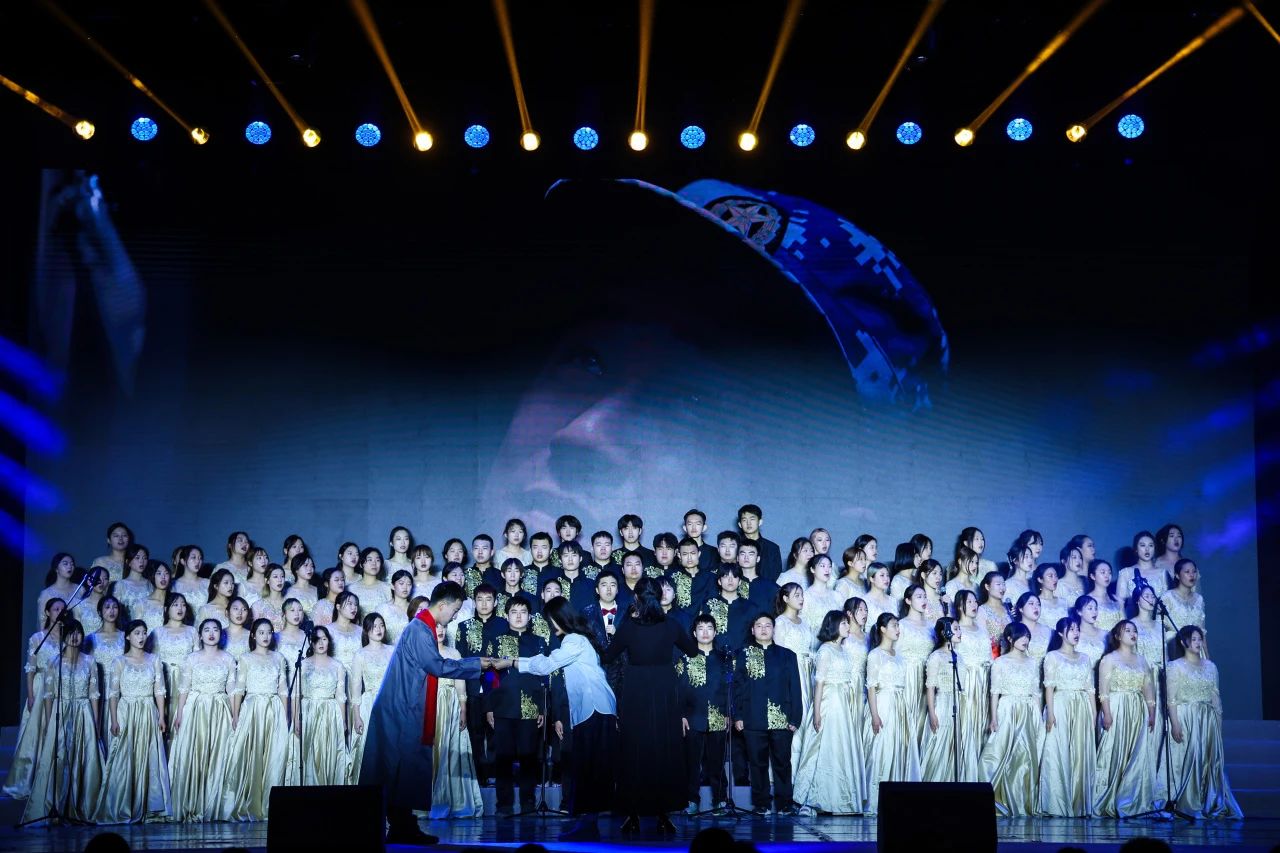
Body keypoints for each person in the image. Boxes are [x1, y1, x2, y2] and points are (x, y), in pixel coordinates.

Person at [359, 581, 504, 846]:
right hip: (401, 708)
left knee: (405, 768)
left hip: (407, 705)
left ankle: (403, 825)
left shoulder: (422, 627)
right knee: (400, 767)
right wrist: (475, 665)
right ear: (444, 605)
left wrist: (474, 664)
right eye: (455, 610)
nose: (455, 616)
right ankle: (399, 825)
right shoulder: (419, 629)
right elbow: (435, 666)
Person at [510, 596, 618, 840]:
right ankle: (588, 823)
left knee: (588, 767)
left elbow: (547, 665)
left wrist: (513, 662)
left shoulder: (573, 639)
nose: (551, 625)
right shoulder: (579, 639)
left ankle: (587, 824)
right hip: (594, 709)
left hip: (594, 708)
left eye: (551, 620)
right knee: (589, 766)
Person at [601, 576, 699, 833]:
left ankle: (632, 813)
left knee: (634, 748)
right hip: (664, 687)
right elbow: (692, 651)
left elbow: (608, 657)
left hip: (636, 689)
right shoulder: (672, 625)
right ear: (661, 597)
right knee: (665, 748)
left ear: (636, 598)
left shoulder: (628, 627)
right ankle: (663, 813)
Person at [23, 619, 103, 823]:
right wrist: (51, 723)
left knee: (83, 758)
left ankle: (82, 806)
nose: (74, 637)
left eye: (78, 633)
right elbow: (49, 695)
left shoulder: (90, 661)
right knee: (60, 758)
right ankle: (57, 805)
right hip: (62, 711)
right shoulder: (54, 661)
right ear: (64, 637)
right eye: (70, 633)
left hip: (83, 712)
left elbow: (94, 694)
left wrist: (95, 721)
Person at [792, 610, 867, 814]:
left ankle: (839, 798)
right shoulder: (825, 650)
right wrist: (817, 712)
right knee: (824, 748)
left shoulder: (843, 649)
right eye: (843, 623)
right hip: (829, 702)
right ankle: (813, 799)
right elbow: (819, 684)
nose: (848, 626)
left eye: (847, 623)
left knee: (840, 749)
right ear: (834, 626)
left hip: (843, 702)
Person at [96, 619, 170, 823]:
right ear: (128, 636)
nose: (141, 637)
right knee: (124, 757)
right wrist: (113, 720)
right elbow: (113, 693)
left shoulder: (154, 660)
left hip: (147, 710)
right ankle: (122, 805)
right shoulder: (119, 661)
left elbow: (159, 690)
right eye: (137, 633)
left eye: (144, 633)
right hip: (126, 711)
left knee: (149, 756)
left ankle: (149, 806)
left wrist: (161, 716)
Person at [1167, 625, 1242, 819]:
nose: (1198, 642)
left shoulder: (1210, 666)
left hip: (1207, 718)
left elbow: (1215, 695)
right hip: (1187, 717)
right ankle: (1187, 801)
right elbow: (1171, 700)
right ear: (1183, 642)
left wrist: (1218, 721)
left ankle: (1208, 800)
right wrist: (1175, 724)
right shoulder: (1175, 666)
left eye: (1199, 639)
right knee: (1189, 759)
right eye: (1193, 639)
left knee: (1209, 760)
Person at [483, 596, 548, 816]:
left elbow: (545, 676)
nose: (519, 617)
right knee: (503, 756)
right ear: (506, 615)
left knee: (529, 756)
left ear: (530, 616)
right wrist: (489, 706)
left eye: (523, 612)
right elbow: (489, 675)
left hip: (531, 706)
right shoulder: (496, 640)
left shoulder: (539, 642)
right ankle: (504, 804)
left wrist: (543, 707)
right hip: (502, 705)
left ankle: (528, 802)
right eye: (514, 612)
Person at [169, 618, 236, 822]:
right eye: (207, 630)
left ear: (220, 634)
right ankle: (192, 802)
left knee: (218, 754)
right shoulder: (191, 658)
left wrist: (235, 714)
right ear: (200, 635)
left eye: (215, 629)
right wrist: (180, 714)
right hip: (196, 708)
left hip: (220, 709)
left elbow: (232, 689)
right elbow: (184, 688)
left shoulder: (228, 658)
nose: (211, 633)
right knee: (194, 754)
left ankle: (214, 804)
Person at [735, 612, 802, 817]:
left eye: (767, 625)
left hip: (781, 718)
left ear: (774, 629)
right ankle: (761, 803)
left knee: (782, 763)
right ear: (752, 630)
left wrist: (795, 718)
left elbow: (795, 688)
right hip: (753, 717)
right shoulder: (744, 654)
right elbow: (737, 687)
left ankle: (785, 803)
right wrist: (738, 716)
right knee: (757, 764)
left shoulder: (787, 655)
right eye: (759, 625)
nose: (763, 629)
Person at [224, 618, 290, 821]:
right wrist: (236, 714)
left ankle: (270, 805)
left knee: (274, 755)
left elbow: (283, 689)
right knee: (252, 755)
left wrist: (286, 714)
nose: (266, 636)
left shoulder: (279, 658)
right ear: (253, 635)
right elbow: (239, 689)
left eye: (269, 632)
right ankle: (250, 803)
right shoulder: (245, 658)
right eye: (261, 632)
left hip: (274, 708)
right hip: (252, 708)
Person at [3, 598, 66, 799]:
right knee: (36, 732)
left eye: (63, 609)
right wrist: (30, 695)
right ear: (47, 612)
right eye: (56, 609)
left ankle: (51, 783)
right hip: (40, 688)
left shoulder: (67, 638)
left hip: (60, 689)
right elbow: (30, 669)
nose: (60, 612)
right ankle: (27, 781)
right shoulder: (37, 638)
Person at [1094, 620, 1157, 817]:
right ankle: (1110, 797)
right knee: (1115, 750)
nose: (1132, 633)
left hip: (1137, 709)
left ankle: (1133, 798)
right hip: (1117, 707)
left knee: (1137, 753)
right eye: (1127, 630)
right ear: (1117, 636)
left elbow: (1148, 688)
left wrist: (1152, 712)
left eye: (1134, 630)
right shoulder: (1109, 659)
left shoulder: (1142, 660)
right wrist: (1107, 713)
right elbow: (1103, 691)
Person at [980, 622, 1044, 816]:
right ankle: (998, 798)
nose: (1025, 640)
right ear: (1010, 638)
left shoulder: (1033, 662)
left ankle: (1023, 802)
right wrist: (993, 718)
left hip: (1029, 710)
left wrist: (1038, 717)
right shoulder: (1000, 663)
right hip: (1007, 710)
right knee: (1002, 753)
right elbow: (994, 692)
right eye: (1021, 636)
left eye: (1027, 636)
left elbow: (1036, 692)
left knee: (1026, 756)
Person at [1039, 616, 1097, 817]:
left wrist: (1093, 714)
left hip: (1082, 706)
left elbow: (1090, 689)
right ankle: (1056, 803)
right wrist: (1050, 713)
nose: (1076, 633)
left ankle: (1079, 803)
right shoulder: (1052, 657)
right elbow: (1049, 687)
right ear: (1061, 633)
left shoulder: (1085, 658)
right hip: (1061, 705)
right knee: (1059, 750)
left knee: (1080, 752)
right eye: (1071, 629)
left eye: (1077, 629)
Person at [863, 613, 921, 815]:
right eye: (894, 625)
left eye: (898, 625)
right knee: (882, 750)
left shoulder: (899, 655)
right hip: (883, 703)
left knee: (899, 749)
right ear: (882, 629)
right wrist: (874, 715)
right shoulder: (875, 655)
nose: (898, 629)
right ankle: (876, 800)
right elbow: (871, 687)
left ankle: (899, 800)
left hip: (900, 705)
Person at [430, 620, 483, 819]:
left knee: (451, 747)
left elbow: (460, 682)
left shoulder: (454, 653)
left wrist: (463, 708)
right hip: (430, 702)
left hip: (451, 703)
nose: (440, 630)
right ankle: (429, 800)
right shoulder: (425, 652)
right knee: (432, 748)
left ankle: (454, 800)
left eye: (443, 627)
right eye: (436, 626)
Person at [679, 615, 730, 817]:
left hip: (718, 717)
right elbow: (678, 689)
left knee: (717, 763)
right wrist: (681, 714)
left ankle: (720, 800)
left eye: (709, 628)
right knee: (691, 763)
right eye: (701, 628)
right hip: (693, 717)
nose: (705, 632)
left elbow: (731, 689)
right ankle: (692, 801)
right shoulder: (685, 658)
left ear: (715, 632)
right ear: (694, 633)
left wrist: (729, 713)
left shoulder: (725, 659)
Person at [292, 625, 350, 786]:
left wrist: (343, 721)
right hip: (308, 712)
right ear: (311, 642)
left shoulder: (338, 666)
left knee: (328, 753)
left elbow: (340, 696)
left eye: (324, 639)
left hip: (330, 713)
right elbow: (297, 694)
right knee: (309, 754)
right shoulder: (303, 664)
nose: (321, 643)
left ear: (329, 641)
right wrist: (296, 719)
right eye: (317, 640)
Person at [348, 612, 395, 785]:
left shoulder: (392, 651)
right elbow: (355, 687)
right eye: (374, 626)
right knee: (370, 748)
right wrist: (356, 716)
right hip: (370, 705)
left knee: (390, 748)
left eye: (381, 625)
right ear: (367, 630)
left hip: (390, 704)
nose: (379, 629)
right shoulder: (360, 654)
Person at [951, 590, 993, 776]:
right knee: (967, 723)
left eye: (975, 601)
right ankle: (965, 771)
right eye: (969, 602)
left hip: (983, 681)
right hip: (966, 682)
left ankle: (979, 773)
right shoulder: (956, 629)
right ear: (960, 605)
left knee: (982, 722)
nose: (974, 605)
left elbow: (989, 657)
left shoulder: (982, 630)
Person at [150, 593, 197, 736]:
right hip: (164, 680)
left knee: (184, 720)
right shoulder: (157, 632)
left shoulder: (192, 631)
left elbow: (196, 658)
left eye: (183, 605)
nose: (180, 608)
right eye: (175, 605)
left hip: (186, 680)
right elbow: (151, 660)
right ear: (166, 609)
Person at [896, 585, 935, 748]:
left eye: (925, 596)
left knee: (924, 718)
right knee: (909, 717)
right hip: (909, 676)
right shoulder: (901, 625)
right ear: (908, 601)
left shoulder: (931, 626)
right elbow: (895, 653)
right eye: (919, 597)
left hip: (928, 677)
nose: (924, 600)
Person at [697, 564, 760, 652]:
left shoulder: (751, 607)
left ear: (740, 581)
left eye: (734, 576)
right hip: (715, 656)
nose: (730, 580)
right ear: (719, 581)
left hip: (742, 656)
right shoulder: (708, 605)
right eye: (726, 576)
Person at [1161, 559, 1208, 657]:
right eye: (1187, 572)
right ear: (1177, 575)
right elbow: (1159, 628)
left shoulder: (1199, 599)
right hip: (1174, 648)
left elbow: (1202, 631)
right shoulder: (1167, 597)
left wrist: (1207, 657)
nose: (1192, 575)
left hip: (1196, 650)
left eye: (1194, 572)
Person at [736, 504, 782, 581]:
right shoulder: (735, 547)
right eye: (744, 520)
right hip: (740, 587)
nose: (748, 523)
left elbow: (776, 576)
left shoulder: (772, 548)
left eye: (752, 519)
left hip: (766, 587)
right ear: (740, 524)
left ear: (760, 522)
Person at [1118, 530, 1165, 603]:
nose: (1147, 549)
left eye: (1151, 545)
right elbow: (1120, 603)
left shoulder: (1163, 573)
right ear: (1136, 549)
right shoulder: (1125, 573)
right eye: (1143, 545)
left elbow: (1168, 602)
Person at [35, 552, 79, 626]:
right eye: (65, 564)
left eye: (72, 564)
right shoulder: (46, 593)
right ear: (56, 569)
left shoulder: (80, 589)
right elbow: (42, 621)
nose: (70, 566)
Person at [112, 544, 153, 619]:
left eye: (145, 558)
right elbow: (115, 609)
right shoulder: (121, 585)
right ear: (128, 562)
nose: (141, 561)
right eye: (137, 558)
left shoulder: (149, 584)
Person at [377, 570, 414, 644]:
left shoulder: (415, 608)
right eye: (401, 583)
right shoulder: (383, 609)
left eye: (409, 584)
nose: (405, 587)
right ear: (392, 586)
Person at [1087, 559, 1125, 632]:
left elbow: (1124, 624)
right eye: (1103, 572)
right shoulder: (1088, 600)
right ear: (1092, 576)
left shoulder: (1117, 600)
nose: (1107, 576)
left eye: (1109, 573)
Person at [353, 547, 392, 617]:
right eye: (370, 560)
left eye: (377, 560)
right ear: (361, 564)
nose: (374, 563)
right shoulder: (351, 589)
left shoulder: (388, 588)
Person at [977, 570, 1012, 648]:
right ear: (987, 587)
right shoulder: (982, 611)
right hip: (993, 652)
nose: (1002, 588)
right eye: (998, 584)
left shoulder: (1008, 608)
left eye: (1004, 584)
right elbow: (982, 639)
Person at [251, 564, 290, 632]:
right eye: (275, 577)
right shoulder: (257, 606)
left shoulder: (290, 605)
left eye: (282, 576)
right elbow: (255, 631)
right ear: (267, 581)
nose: (280, 580)